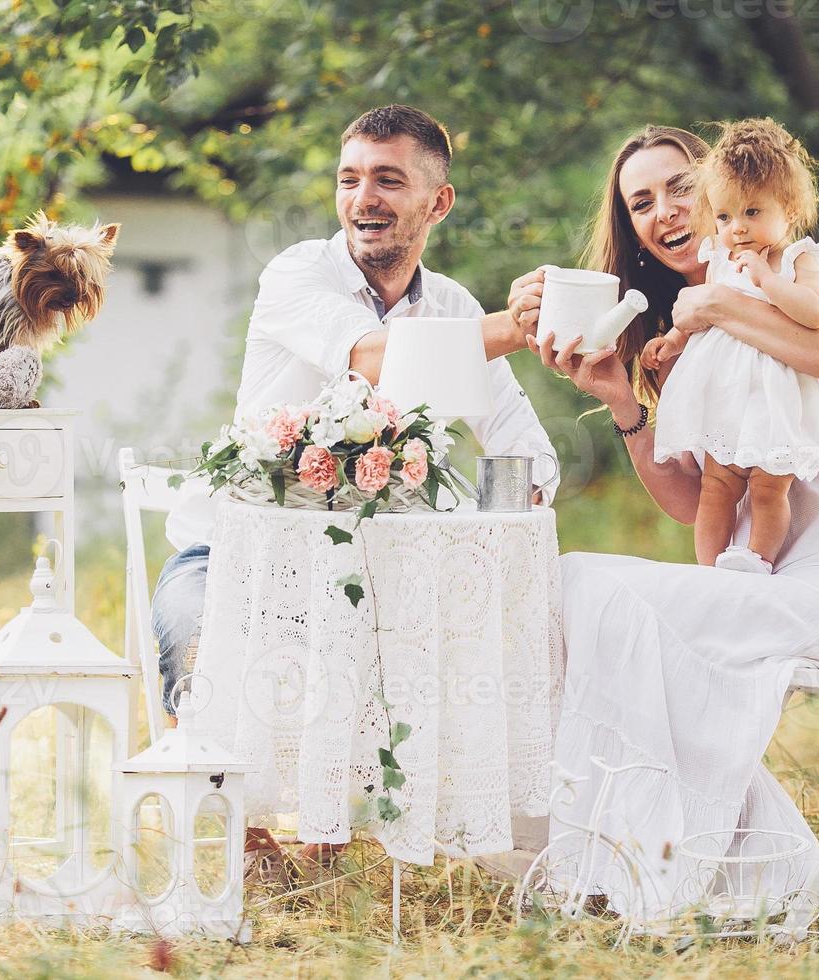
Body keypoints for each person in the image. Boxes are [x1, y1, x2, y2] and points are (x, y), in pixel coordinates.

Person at [509, 124, 819, 919]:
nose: (664, 211)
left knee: (602, 593)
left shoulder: (784, 279)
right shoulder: (684, 342)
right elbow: (695, 504)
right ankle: (648, 855)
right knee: (569, 584)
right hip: (755, 579)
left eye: (679, 187)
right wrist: (624, 401)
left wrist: (721, 303)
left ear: (727, 189)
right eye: (641, 203)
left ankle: (668, 860)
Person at [151, 104, 559, 876]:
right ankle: (248, 842)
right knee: (193, 645)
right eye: (350, 180)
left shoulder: (453, 310)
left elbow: (524, 445)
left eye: (388, 181)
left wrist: (511, 510)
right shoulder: (297, 273)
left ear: (437, 202)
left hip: (376, 573)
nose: (363, 199)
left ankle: (340, 837)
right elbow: (372, 355)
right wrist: (516, 325)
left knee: (422, 632)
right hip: (231, 553)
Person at [642, 118, 819, 576]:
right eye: (725, 216)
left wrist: (767, 279)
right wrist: (670, 342)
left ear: (787, 211)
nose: (737, 229)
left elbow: (812, 313)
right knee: (716, 485)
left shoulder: (796, 258)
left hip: (775, 400)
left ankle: (755, 560)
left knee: (770, 489)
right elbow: (699, 316)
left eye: (752, 213)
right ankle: (711, 570)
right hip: (727, 398)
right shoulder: (719, 258)